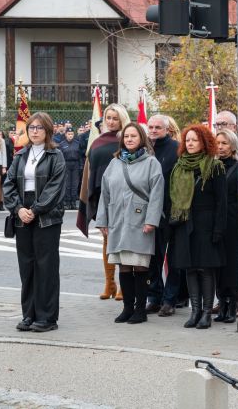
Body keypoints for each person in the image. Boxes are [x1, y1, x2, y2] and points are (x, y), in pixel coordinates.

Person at [96, 123, 165, 324]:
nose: (129, 139)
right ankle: (127, 307)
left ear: (141, 138)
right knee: (123, 266)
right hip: (117, 219)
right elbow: (105, 193)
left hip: (140, 220)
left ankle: (140, 310)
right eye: (126, 136)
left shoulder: (152, 163)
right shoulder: (114, 163)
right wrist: (103, 220)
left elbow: (157, 194)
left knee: (140, 267)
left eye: (133, 136)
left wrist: (151, 220)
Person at [3, 111, 66, 333]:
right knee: (27, 266)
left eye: (39, 128)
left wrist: (35, 210)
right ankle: (28, 314)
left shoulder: (55, 155)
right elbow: (8, 183)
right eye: (31, 127)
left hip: (46, 216)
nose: (35, 131)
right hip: (23, 213)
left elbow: (55, 188)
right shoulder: (21, 155)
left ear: (48, 131)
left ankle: (47, 317)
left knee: (46, 266)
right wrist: (19, 209)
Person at [169, 124, 226, 329]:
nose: (190, 143)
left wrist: (218, 229)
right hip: (184, 223)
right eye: (188, 140)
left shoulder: (214, 166)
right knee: (190, 269)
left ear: (204, 142)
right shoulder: (180, 166)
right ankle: (194, 311)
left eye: (195, 140)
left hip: (206, 224)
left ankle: (206, 313)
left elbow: (222, 201)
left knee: (205, 269)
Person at [77, 104, 131, 301]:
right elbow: (90, 171)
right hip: (102, 198)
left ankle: (125, 285)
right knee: (107, 240)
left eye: (115, 118)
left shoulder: (127, 139)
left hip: (124, 198)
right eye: (108, 117)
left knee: (123, 241)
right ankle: (109, 283)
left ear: (122, 119)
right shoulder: (98, 141)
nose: (111, 121)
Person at [144, 114, 180, 316]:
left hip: (172, 212)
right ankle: (154, 297)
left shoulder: (176, 149)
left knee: (173, 259)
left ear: (167, 130)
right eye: (151, 126)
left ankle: (170, 300)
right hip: (151, 212)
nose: (154, 130)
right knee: (153, 258)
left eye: (158, 127)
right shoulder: (144, 149)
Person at [214, 129, 238, 323]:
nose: (220, 147)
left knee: (231, 265)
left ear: (232, 146)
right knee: (218, 264)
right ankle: (221, 302)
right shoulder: (212, 166)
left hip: (233, 222)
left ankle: (233, 304)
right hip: (215, 221)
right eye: (218, 143)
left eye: (224, 143)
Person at [59, 127, 82, 210]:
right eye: (68, 134)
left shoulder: (77, 143)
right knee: (67, 184)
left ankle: (73, 203)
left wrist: (81, 166)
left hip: (75, 164)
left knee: (75, 184)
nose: (70, 136)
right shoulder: (62, 144)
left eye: (72, 134)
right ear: (65, 135)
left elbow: (80, 156)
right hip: (66, 164)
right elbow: (60, 157)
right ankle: (67, 203)